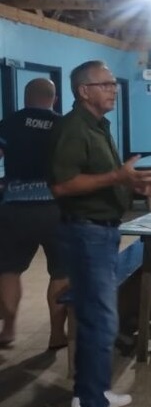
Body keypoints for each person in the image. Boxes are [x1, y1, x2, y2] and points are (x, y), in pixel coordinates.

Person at [48, 60, 151, 407]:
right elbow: (63, 185)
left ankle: (88, 393)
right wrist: (117, 176)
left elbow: (99, 178)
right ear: (84, 91)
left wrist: (131, 184)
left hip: (102, 231)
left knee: (96, 317)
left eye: (114, 84)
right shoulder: (73, 128)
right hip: (86, 233)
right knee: (101, 320)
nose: (114, 89)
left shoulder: (99, 126)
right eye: (106, 84)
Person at [0, 78, 67, 350]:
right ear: (54, 99)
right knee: (61, 271)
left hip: (15, 207)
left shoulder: (9, 123)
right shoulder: (63, 125)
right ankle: (56, 335)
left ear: (25, 97)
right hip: (56, 207)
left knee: (8, 270)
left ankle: (9, 329)